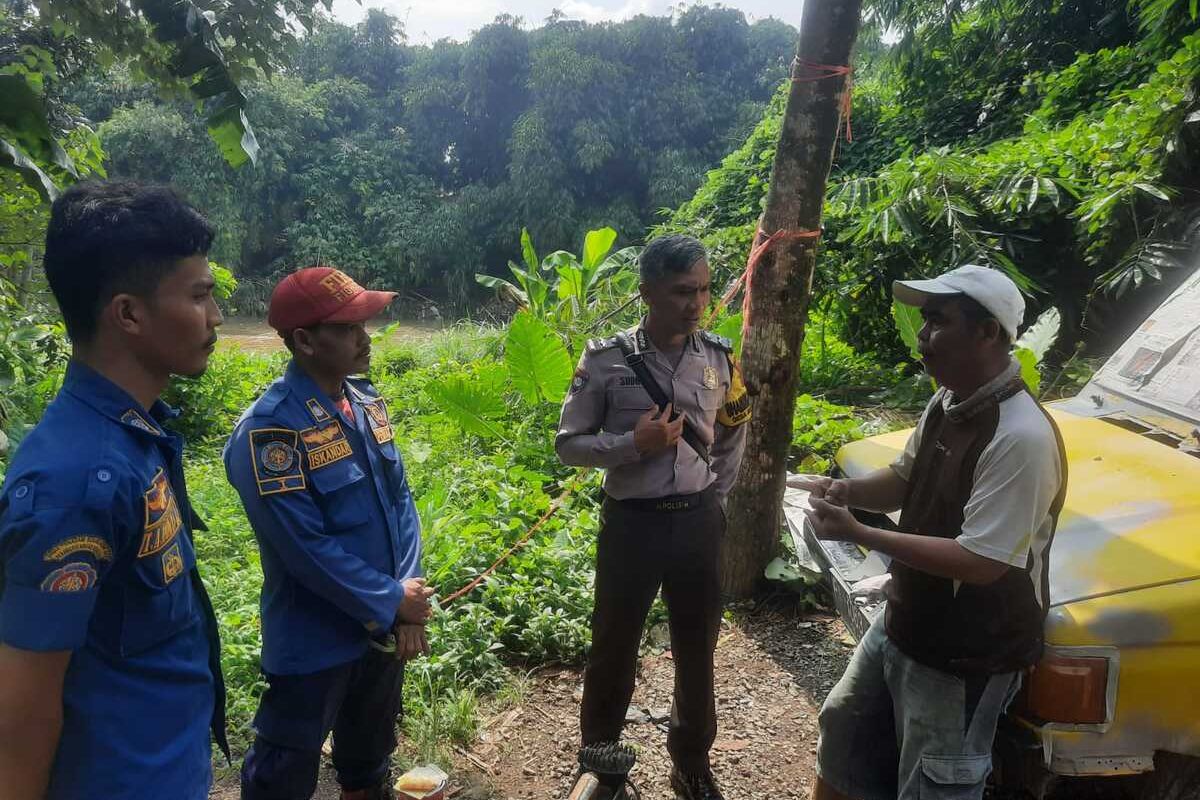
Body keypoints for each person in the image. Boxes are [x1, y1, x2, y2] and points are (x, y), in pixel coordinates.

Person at [795, 265, 1068, 800]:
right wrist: (843, 491)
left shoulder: (1021, 437)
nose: (922, 338)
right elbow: (903, 479)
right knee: (845, 733)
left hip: (966, 651)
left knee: (935, 783)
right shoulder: (949, 401)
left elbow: (981, 561)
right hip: (906, 621)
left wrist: (862, 534)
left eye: (937, 322)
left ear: (988, 332)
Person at [0, 181, 228, 800]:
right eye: (200, 295)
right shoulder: (73, 482)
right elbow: (22, 716)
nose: (215, 317)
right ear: (128, 314)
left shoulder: (134, 433)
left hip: (167, 762)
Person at [224, 266, 431, 800]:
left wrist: (407, 597)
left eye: (364, 323)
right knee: (283, 774)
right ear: (304, 341)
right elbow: (303, 549)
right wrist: (390, 600)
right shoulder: (270, 431)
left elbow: (399, 503)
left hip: (380, 630)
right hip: (314, 640)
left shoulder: (363, 403)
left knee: (368, 762)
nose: (365, 338)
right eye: (347, 328)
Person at [556, 234, 751, 800]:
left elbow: (736, 426)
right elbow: (568, 444)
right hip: (632, 525)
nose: (696, 303)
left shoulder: (717, 357)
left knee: (698, 647)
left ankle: (690, 763)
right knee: (614, 645)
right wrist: (631, 445)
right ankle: (600, 765)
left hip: (696, 522)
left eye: (704, 290)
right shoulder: (604, 360)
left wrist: (716, 491)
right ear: (647, 293)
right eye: (682, 291)